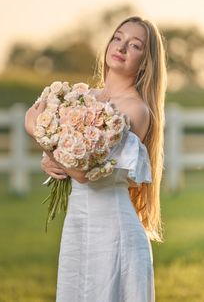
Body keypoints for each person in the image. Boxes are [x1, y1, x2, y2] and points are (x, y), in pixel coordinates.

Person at [25, 16, 167, 302]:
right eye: (118, 37)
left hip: (114, 233)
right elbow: (65, 156)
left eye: (135, 45)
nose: (122, 47)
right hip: (78, 225)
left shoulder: (136, 110)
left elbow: (84, 172)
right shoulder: (81, 98)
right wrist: (48, 160)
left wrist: (33, 128)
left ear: (146, 61)